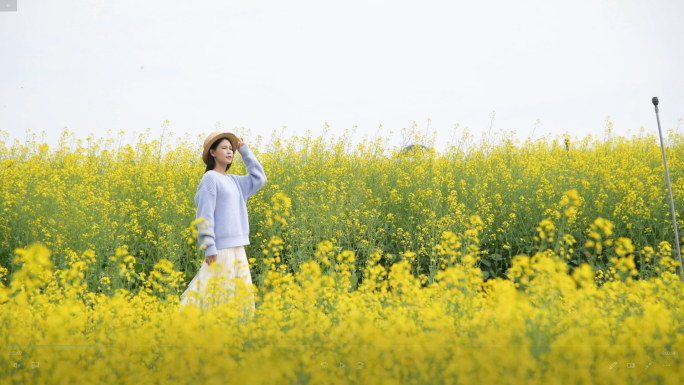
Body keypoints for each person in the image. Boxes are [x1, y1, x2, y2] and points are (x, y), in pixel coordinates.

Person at [180, 132, 267, 310]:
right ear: (212, 152)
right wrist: (209, 245)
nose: (230, 152)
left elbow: (260, 178)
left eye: (231, 149)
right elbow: (204, 215)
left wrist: (245, 152)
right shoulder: (210, 178)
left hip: (238, 246)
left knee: (239, 295)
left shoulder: (235, 181)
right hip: (220, 249)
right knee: (214, 294)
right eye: (224, 148)